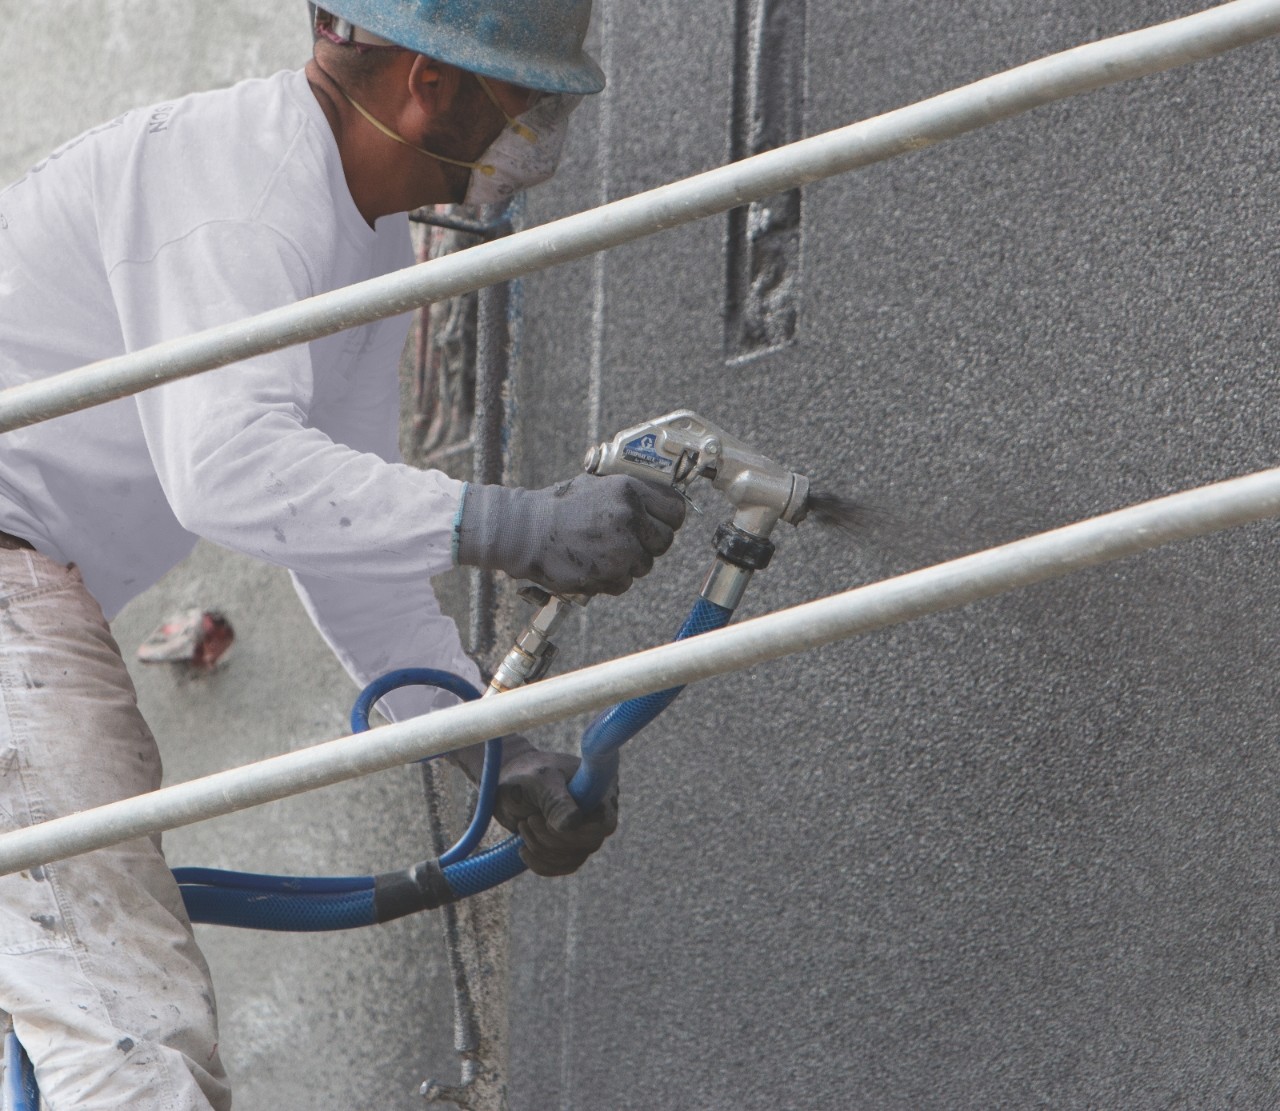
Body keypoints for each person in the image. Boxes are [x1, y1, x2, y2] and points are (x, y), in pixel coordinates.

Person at [0, 3, 685, 1107]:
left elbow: (342, 545)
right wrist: (513, 524)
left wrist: (494, 753)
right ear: (426, 81)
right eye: (524, 100)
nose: (531, 136)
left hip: (28, 586)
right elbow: (225, 469)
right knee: (126, 1037)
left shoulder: (356, 237)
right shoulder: (248, 192)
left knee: (82, 1009)